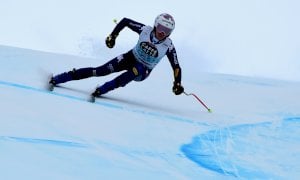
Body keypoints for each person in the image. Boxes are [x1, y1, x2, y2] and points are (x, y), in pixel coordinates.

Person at [49, 13, 184, 101]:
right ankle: (61, 78)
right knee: (100, 71)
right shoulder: (145, 30)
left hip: (144, 70)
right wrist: (112, 36)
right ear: (155, 24)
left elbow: (176, 67)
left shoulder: (168, 46)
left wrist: (177, 83)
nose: (162, 32)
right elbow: (125, 21)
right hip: (130, 57)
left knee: (135, 70)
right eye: (160, 27)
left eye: (166, 31)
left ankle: (104, 88)